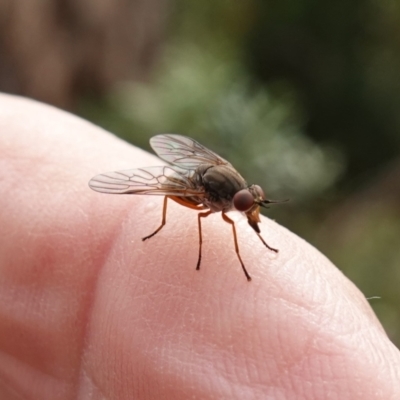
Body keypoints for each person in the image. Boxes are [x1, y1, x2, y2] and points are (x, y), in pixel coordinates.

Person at [0, 93, 399, 399]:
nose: (250, 205)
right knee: (178, 203)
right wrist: (210, 252)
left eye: (251, 200)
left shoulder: (241, 191)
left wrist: (251, 211)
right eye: (248, 202)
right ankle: (167, 229)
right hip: (191, 185)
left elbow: (201, 162)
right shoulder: (218, 201)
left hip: (204, 171)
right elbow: (206, 199)